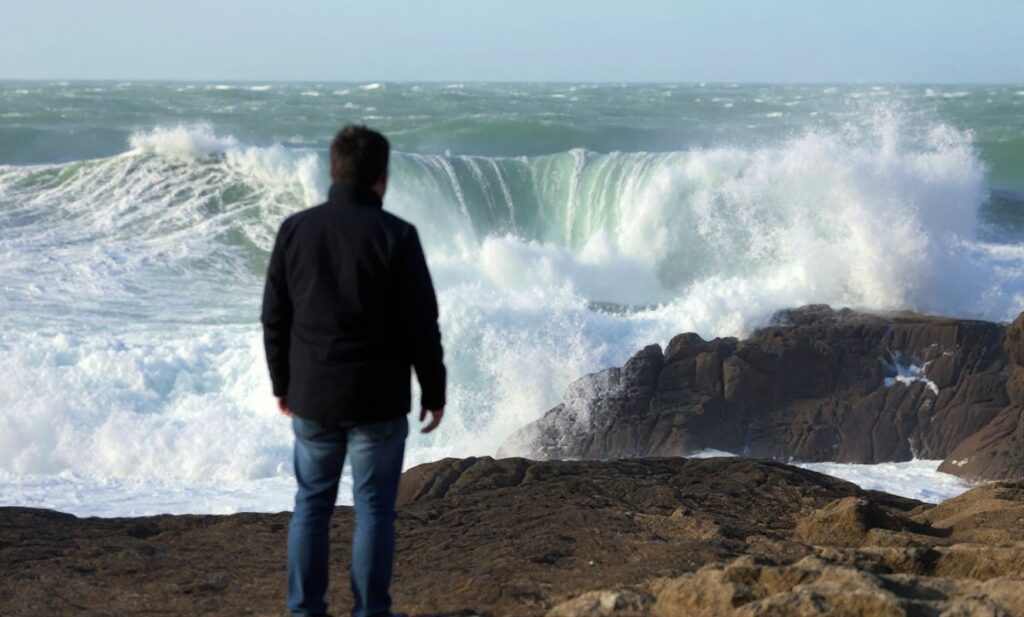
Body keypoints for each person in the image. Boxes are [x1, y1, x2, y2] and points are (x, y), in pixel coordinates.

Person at [261, 125, 446, 617]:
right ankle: (370, 611)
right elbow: (421, 324)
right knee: (374, 512)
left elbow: (275, 316)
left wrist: (282, 383)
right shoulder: (397, 236)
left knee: (312, 506)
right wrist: (434, 389)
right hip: (378, 400)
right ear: (382, 178)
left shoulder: (295, 230)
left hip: (314, 396)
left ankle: (304, 610)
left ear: (332, 170)